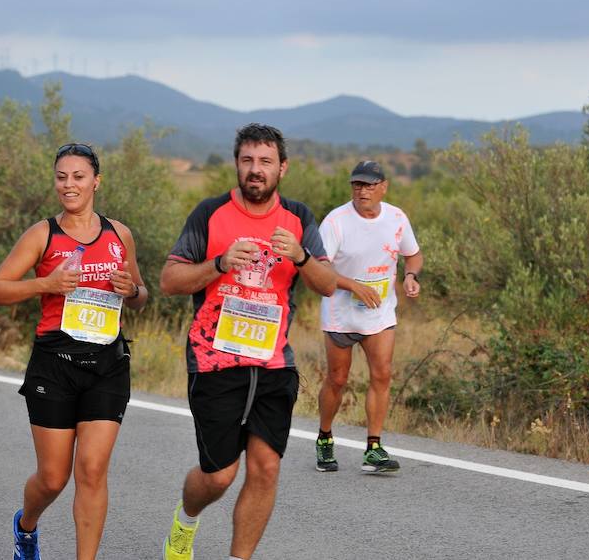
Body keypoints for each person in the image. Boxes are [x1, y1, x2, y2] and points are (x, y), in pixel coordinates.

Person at [159, 123, 336, 560]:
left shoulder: (298, 219)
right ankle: (186, 520)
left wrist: (300, 256)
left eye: (265, 162)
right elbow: (170, 280)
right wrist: (218, 262)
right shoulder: (210, 213)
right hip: (214, 361)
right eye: (247, 161)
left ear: (283, 168)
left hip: (274, 363)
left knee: (266, 467)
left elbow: (328, 284)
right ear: (237, 164)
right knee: (219, 476)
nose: (255, 170)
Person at [0, 143, 147, 560]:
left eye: (78, 176)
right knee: (54, 479)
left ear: (96, 181)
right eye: (62, 177)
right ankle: (26, 525)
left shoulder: (119, 233)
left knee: (92, 471)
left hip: (108, 363)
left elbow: (140, 293)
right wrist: (46, 284)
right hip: (54, 364)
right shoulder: (43, 234)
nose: (69, 185)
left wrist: (133, 291)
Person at [314, 160, 422, 473]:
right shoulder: (336, 221)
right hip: (341, 313)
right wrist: (352, 286)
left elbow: (413, 254)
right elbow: (320, 267)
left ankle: (373, 448)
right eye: (357, 185)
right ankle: (324, 438)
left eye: (370, 185)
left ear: (383, 187)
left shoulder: (397, 218)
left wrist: (411, 276)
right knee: (337, 379)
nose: (362, 191)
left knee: (382, 374)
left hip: (380, 314)